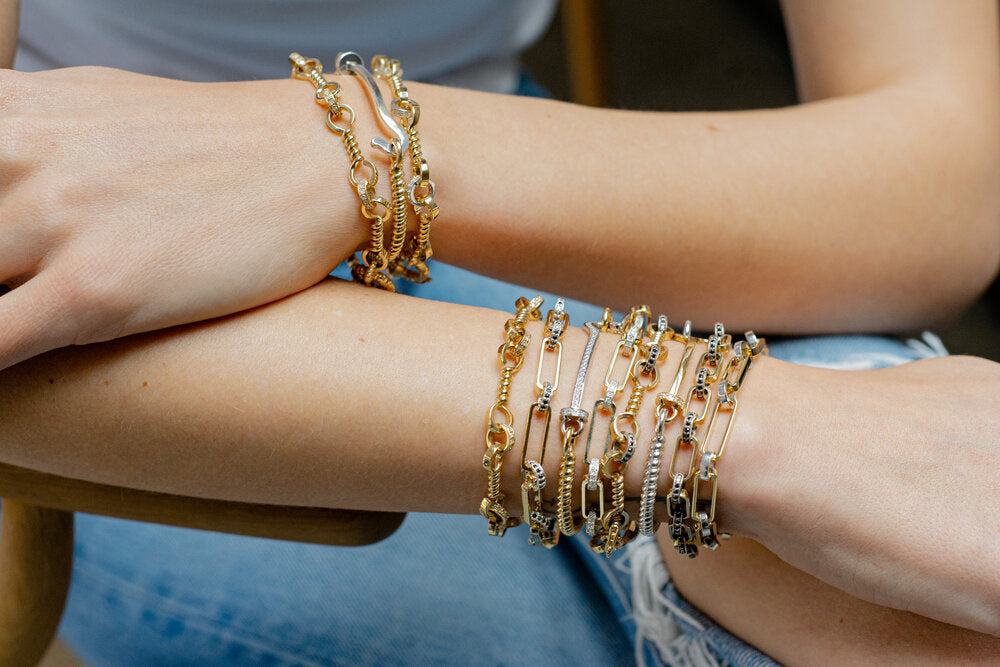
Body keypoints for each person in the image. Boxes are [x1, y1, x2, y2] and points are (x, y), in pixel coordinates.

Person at [1, 0, 998, 663]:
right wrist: (724, 428)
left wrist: (355, 152)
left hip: (512, 172)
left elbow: (946, 174)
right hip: (125, 294)